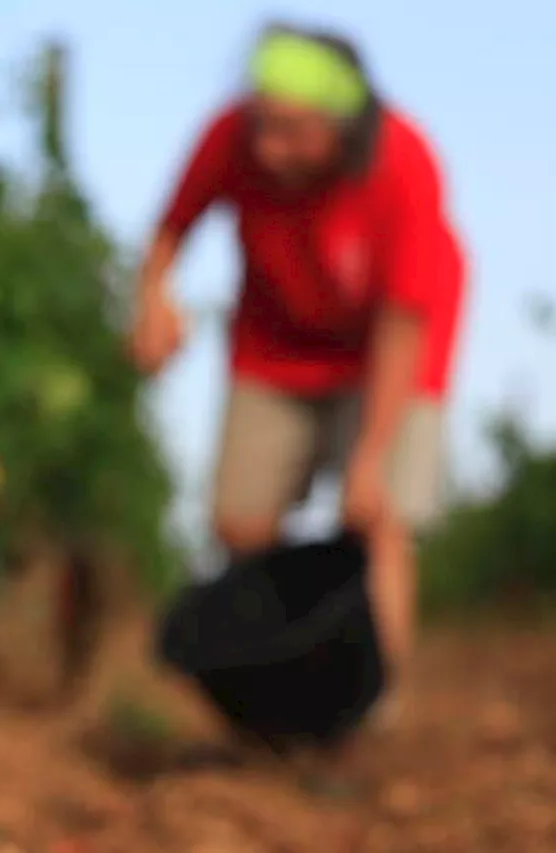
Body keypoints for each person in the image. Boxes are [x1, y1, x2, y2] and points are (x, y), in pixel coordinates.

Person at [128, 23, 467, 725]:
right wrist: (153, 300)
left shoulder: (405, 164)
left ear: (341, 127)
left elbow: (404, 323)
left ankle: (376, 709)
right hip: (274, 346)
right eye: (260, 125)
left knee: (380, 519)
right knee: (239, 523)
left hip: (389, 351)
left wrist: (369, 461)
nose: (264, 147)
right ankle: (285, 685)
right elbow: (171, 227)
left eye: (289, 131)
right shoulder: (230, 137)